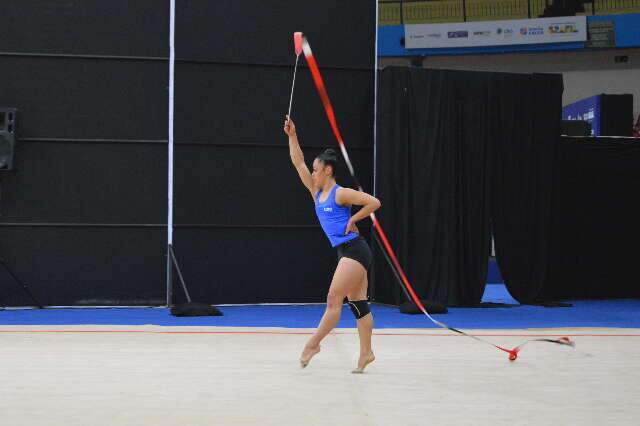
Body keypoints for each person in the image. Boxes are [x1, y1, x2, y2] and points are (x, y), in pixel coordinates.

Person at [284, 115, 381, 373]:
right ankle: (366, 353)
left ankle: (313, 344)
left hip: (355, 250)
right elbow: (297, 162)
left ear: (327, 170)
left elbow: (373, 202)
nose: (312, 173)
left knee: (333, 298)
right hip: (346, 251)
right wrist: (292, 135)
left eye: (316, 170)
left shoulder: (340, 193)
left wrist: (355, 219)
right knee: (358, 303)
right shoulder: (316, 193)